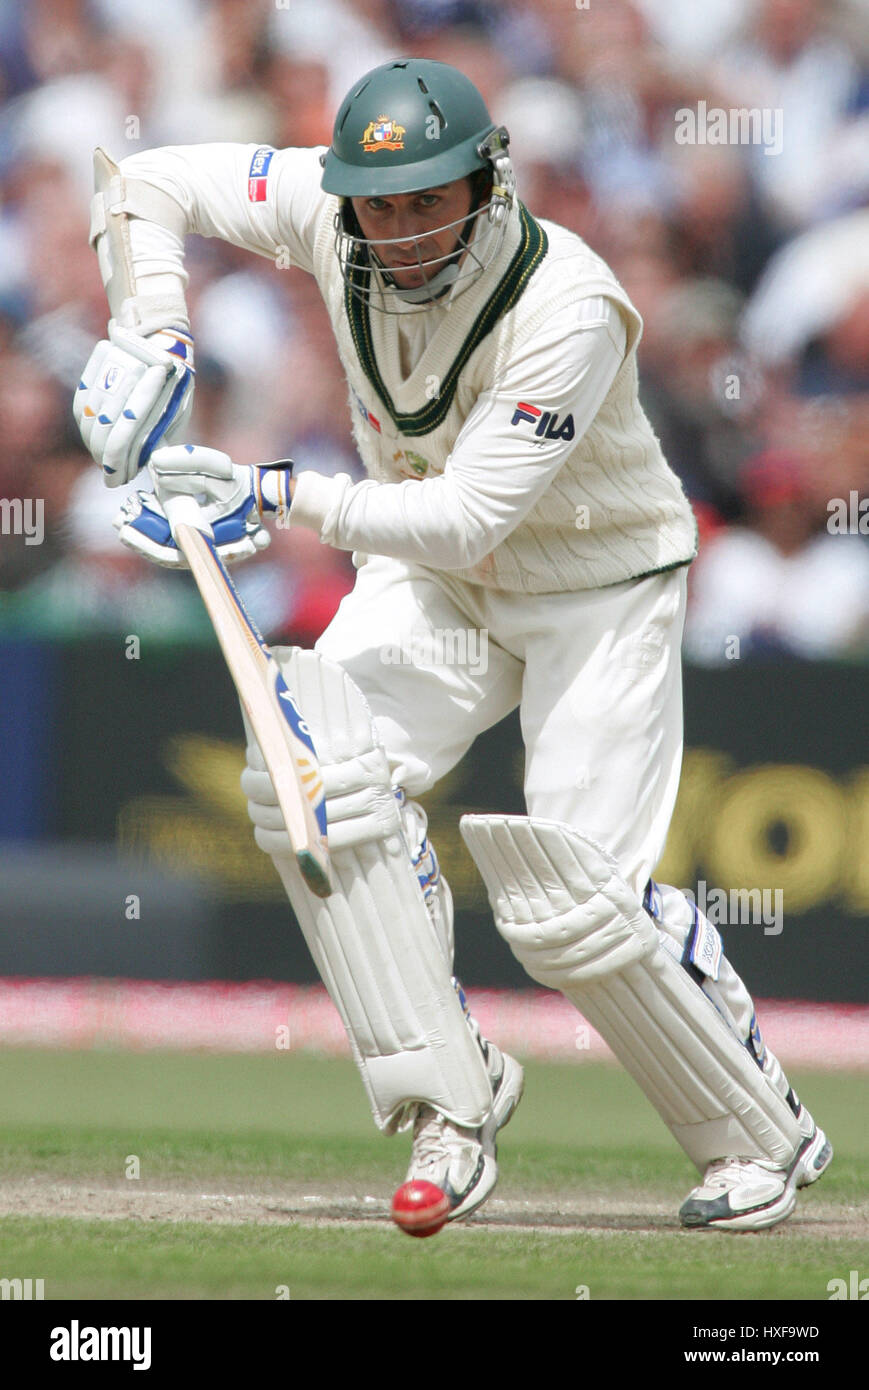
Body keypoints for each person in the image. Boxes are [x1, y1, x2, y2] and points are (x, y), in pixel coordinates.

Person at [73, 58, 831, 1233]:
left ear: (486, 179)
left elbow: (471, 512)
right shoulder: (331, 218)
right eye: (380, 205)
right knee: (311, 779)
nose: (403, 229)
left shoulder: (565, 306)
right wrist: (153, 332)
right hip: (435, 585)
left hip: (594, 585)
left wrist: (270, 489)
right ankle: (450, 1104)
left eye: (429, 198)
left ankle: (759, 1138)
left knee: (571, 908)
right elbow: (146, 180)